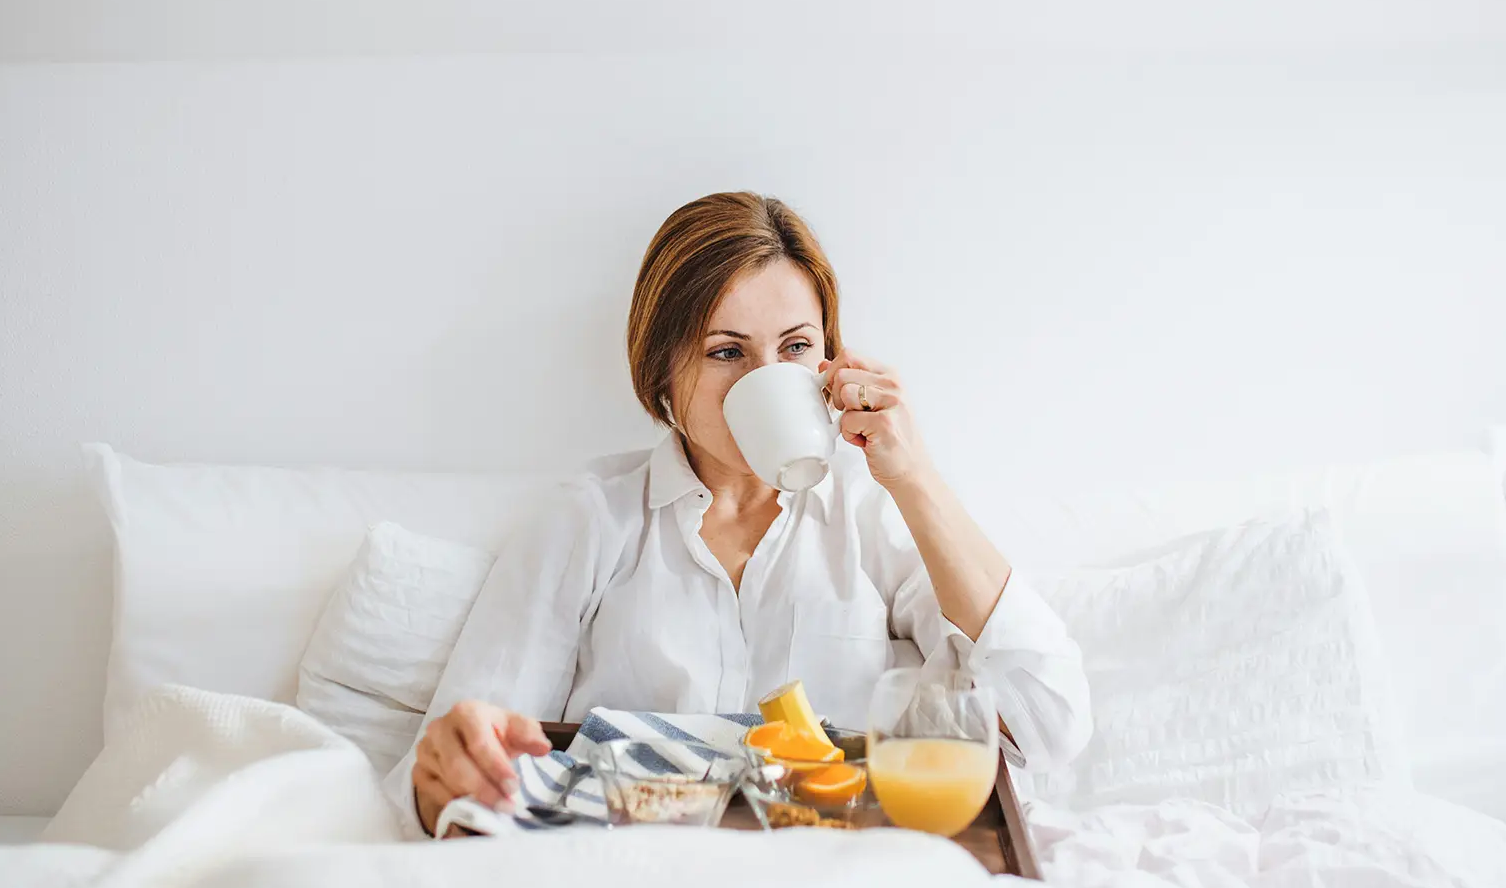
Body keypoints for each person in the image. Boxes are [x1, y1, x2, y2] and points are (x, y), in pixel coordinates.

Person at [386, 191, 1092, 837]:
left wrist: (913, 477)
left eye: (794, 347)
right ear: (663, 371)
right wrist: (449, 770)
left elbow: (1048, 723)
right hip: (636, 877)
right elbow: (449, 774)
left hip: (838, 877)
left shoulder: (875, 511)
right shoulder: (590, 519)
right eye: (725, 351)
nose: (764, 381)